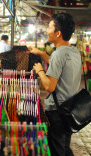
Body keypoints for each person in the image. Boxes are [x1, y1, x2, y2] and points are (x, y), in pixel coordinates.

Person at [29, 13, 81, 156]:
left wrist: (40, 71)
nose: (46, 31)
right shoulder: (73, 51)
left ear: (58, 33)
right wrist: (41, 53)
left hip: (57, 112)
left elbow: (49, 86)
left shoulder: (59, 54)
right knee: (64, 147)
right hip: (69, 109)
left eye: (49, 27)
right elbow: (57, 63)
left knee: (57, 150)